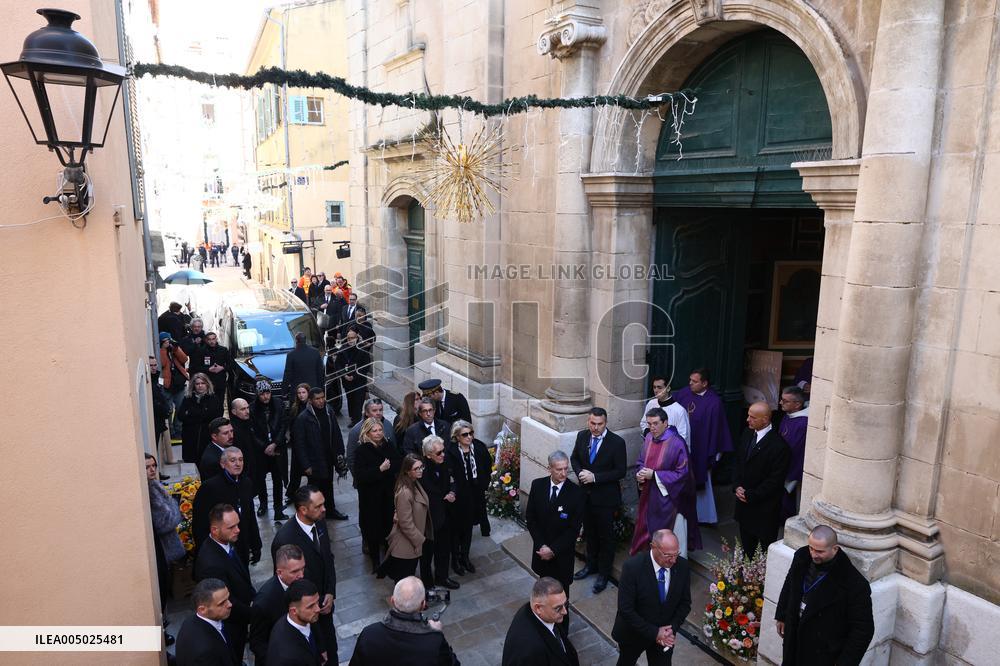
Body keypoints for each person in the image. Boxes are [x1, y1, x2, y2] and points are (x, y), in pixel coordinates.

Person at [775, 525, 874, 665]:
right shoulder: (802, 556)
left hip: (823, 652)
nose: (813, 554)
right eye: (811, 548)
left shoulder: (855, 583)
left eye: (820, 551)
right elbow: (790, 584)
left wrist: (844, 663)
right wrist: (782, 614)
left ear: (835, 549)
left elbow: (863, 629)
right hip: (794, 637)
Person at [270, 486, 338, 662]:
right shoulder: (285, 539)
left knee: (332, 653)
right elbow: (286, 585)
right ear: (303, 510)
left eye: (323, 504)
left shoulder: (319, 521)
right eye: (318, 506)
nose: (324, 509)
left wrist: (330, 591)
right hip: (306, 617)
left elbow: (328, 558)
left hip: (325, 608)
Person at [525, 451, 584, 636]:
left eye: (566, 469)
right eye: (559, 469)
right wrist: (541, 546)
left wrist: (553, 550)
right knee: (544, 595)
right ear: (549, 468)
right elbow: (531, 519)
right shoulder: (538, 485)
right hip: (541, 555)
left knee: (561, 601)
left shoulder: (576, 493)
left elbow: (573, 530)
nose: (563, 473)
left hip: (561, 559)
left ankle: (562, 635)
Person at [612, 529, 692, 666]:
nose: (673, 560)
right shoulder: (632, 567)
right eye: (668, 555)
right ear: (653, 547)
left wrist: (671, 629)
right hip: (634, 634)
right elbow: (625, 609)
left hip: (665, 637)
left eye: (676, 554)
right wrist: (655, 633)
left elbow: (685, 603)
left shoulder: (683, 566)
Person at [570, 407, 627, 594]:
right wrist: (580, 473)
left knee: (606, 538)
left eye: (599, 424)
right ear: (588, 421)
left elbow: (620, 471)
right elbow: (574, 458)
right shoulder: (582, 436)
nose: (595, 427)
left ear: (606, 423)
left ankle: (604, 573)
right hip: (585, 497)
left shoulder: (617, 443)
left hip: (605, 499)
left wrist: (595, 477)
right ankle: (590, 565)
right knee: (590, 533)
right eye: (592, 423)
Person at [631, 408, 700, 558]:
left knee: (670, 536)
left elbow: (683, 474)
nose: (652, 428)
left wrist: (655, 475)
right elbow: (641, 461)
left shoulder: (677, 443)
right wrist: (641, 473)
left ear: (665, 423)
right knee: (647, 528)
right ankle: (651, 561)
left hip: (670, 499)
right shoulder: (649, 438)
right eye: (649, 424)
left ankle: (673, 563)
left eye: (655, 423)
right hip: (650, 495)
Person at [193, 504, 256, 663]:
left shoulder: (225, 542)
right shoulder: (211, 564)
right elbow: (226, 602)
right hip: (231, 625)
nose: (238, 530)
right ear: (215, 530)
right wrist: (254, 614)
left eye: (237, 525)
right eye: (231, 527)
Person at [350, 576, 459, 666]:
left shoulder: (369, 634)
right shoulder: (433, 642)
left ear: (392, 600)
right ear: (423, 605)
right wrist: (436, 633)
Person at [673, 368, 734, 525]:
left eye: (694, 381)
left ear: (705, 383)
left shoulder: (714, 403)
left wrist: (714, 453)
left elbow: (718, 429)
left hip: (701, 449)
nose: (690, 383)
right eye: (690, 380)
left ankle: (704, 517)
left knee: (702, 483)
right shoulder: (684, 393)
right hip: (681, 446)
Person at [734, 401, 791, 556]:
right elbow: (739, 461)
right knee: (747, 547)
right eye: (748, 415)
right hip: (744, 505)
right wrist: (737, 486)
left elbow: (775, 480)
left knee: (764, 550)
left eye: (752, 417)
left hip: (764, 508)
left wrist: (752, 494)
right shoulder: (747, 433)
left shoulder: (779, 446)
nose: (748, 420)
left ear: (765, 419)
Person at [192, 447, 262, 565]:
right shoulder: (209, 487)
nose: (238, 464)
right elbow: (199, 524)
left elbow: (250, 515)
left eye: (240, 460)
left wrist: (256, 545)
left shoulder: (246, 483)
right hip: (221, 549)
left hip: (242, 545)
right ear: (223, 464)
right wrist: (206, 551)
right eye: (233, 460)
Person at [293, 387, 349, 521]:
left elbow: (336, 433)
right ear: (311, 401)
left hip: (328, 456)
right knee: (315, 489)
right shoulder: (303, 418)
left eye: (322, 397)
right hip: (314, 460)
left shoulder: (329, 411)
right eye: (317, 399)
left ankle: (330, 510)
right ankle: (315, 514)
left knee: (328, 484)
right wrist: (306, 464)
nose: (321, 401)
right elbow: (299, 444)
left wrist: (340, 453)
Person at [353, 417, 402, 572]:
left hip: (387, 494)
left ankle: (389, 557)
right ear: (367, 433)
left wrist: (388, 468)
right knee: (372, 529)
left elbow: (397, 463)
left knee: (388, 526)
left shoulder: (388, 445)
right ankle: (375, 560)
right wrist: (379, 470)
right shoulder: (362, 451)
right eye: (374, 431)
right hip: (370, 497)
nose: (378, 433)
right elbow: (361, 475)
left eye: (380, 430)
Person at [445, 420, 492, 574]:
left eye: (471, 433)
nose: (469, 437)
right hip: (458, 497)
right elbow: (448, 474)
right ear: (457, 436)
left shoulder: (478, 447)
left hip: (475, 495)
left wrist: (484, 483)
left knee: (468, 527)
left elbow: (487, 465)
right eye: (465, 434)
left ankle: (465, 557)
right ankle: (455, 560)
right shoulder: (450, 451)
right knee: (456, 529)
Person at [249, 544, 306, 666]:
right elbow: (257, 643)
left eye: (303, 569)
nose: (301, 575)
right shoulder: (264, 602)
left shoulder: (301, 582)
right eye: (295, 571)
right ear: (279, 572)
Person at [501, 577, 578, 666]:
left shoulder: (536, 612)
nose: (565, 612)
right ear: (538, 608)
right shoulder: (531, 651)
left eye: (565, 604)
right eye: (558, 608)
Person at [380, 454, 432, 582]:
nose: (420, 470)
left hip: (412, 543)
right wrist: (420, 540)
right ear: (407, 471)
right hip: (406, 546)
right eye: (416, 468)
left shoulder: (414, 483)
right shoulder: (405, 491)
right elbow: (405, 523)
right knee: (404, 582)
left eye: (421, 467)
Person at [145, 454, 184, 623]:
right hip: (162, 547)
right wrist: (175, 509)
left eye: (153, 466)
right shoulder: (149, 491)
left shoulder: (154, 485)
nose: (152, 470)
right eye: (147, 467)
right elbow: (167, 521)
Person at [420, 435, 460, 590]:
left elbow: (453, 480)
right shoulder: (421, 470)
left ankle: (442, 577)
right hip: (429, 519)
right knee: (426, 553)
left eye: (443, 451)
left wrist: (452, 492)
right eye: (438, 453)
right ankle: (427, 583)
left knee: (444, 549)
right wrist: (443, 497)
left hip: (446, 515)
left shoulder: (445, 462)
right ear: (428, 455)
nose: (443, 454)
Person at [175, 578, 237, 666]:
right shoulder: (205, 653)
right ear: (202, 610)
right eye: (221, 603)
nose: (230, 604)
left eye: (228, 598)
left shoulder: (190, 621)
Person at [252, 379, 289, 521]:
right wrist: (264, 446)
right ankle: (263, 504)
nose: (265, 396)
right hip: (261, 450)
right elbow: (252, 431)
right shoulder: (252, 408)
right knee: (260, 478)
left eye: (267, 393)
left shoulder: (278, 404)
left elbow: (283, 425)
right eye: (262, 394)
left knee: (277, 479)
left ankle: (278, 508)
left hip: (277, 448)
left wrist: (275, 444)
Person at [266, 579, 325, 666]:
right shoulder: (288, 658)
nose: (318, 609)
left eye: (317, 602)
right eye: (311, 606)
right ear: (294, 611)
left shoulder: (306, 618)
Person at [778, 386, 809, 518]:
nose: (780, 403)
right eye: (782, 399)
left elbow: (797, 451)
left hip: (792, 469)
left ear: (797, 404)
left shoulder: (803, 423)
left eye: (785, 401)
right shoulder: (789, 415)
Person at [179, 372, 223, 464]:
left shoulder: (213, 399)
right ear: (193, 385)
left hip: (207, 437)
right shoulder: (188, 398)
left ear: (207, 384)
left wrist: (191, 414)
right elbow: (181, 416)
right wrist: (200, 415)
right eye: (197, 384)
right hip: (190, 437)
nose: (200, 386)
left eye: (203, 383)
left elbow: (215, 416)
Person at [333, 326, 372, 426]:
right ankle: (353, 419)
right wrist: (344, 375)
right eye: (349, 338)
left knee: (358, 402)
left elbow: (365, 366)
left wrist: (354, 376)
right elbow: (338, 365)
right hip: (347, 383)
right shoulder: (343, 349)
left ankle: (357, 421)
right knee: (350, 401)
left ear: (357, 338)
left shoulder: (362, 349)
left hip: (359, 382)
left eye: (352, 338)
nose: (350, 340)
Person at [346, 398, 397, 472]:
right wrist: (358, 476)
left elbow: (394, 448)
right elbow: (351, 458)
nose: (378, 413)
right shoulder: (356, 431)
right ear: (366, 413)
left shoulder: (388, 425)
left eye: (380, 410)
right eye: (374, 410)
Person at [230, 398, 264, 506]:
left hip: (253, 467)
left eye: (247, 408)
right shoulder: (232, 430)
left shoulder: (249, 422)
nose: (247, 411)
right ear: (234, 412)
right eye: (243, 409)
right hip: (243, 471)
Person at [638, 377, 690, 447]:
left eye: (659, 387)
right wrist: (649, 434)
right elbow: (643, 423)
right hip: (651, 446)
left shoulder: (679, 411)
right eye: (654, 387)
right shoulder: (651, 403)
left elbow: (683, 435)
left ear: (668, 388)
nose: (656, 390)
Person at [160, 332, 190, 441]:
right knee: (169, 410)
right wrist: (163, 349)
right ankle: (170, 432)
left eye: (169, 340)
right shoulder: (160, 351)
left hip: (179, 385)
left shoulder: (174, 349)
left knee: (180, 408)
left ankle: (178, 430)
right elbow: (162, 364)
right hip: (167, 386)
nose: (168, 343)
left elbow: (184, 359)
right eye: (166, 341)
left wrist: (176, 349)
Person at [285, 383, 312, 503]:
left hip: (309, 444)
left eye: (303, 392)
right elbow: (291, 424)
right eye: (299, 393)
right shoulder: (295, 408)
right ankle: (292, 493)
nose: (301, 395)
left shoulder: (311, 407)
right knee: (295, 471)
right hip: (297, 443)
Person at [282, 332, 326, 404]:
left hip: (298, 391)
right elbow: (320, 372)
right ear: (305, 340)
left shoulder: (291, 355)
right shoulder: (315, 352)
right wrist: (321, 388)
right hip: (313, 389)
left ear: (296, 341)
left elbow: (287, 374)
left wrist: (284, 390)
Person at [189, 331, 231, 401]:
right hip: (206, 382)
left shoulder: (223, 350)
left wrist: (222, 368)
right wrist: (208, 369)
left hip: (220, 382)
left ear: (216, 339)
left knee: (220, 402)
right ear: (206, 340)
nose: (212, 341)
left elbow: (231, 364)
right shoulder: (201, 351)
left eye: (213, 339)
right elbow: (195, 367)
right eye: (209, 339)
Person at [149, 356, 175, 470]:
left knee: (156, 446)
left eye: (155, 365)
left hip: (160, 419)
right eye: (151, 365)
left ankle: (157, 471)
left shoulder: (156, 379)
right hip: (156, 419)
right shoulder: (151, 381)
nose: (154, 368)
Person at [197, 417, 234, 481]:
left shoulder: (225, 447)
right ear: (214, 436)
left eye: (232, 431)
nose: (231, 436)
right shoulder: (213, 461)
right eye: (225, 433)